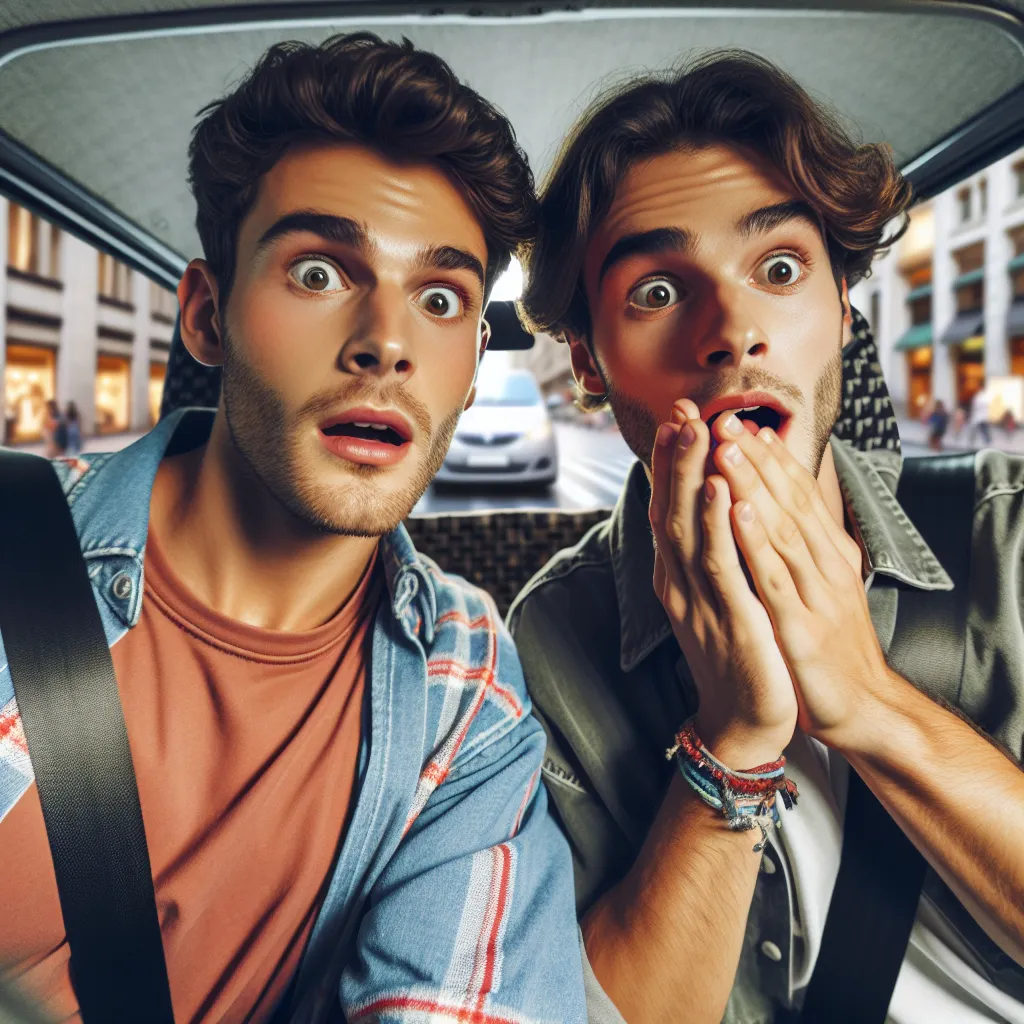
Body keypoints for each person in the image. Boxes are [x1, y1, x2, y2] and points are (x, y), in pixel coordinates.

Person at [0, 34, 587, 1024]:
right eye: (318, 273)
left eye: (441, 299)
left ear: (474, 362)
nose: (386, 344)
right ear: (206, 315)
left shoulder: (464, 677)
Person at [510, 51, 1024, 1024]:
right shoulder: (548, 643)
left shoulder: (1009, 537)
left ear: (839, 306)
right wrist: (733, 737)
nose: (730, 329)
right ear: (589, 361)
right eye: (657, 292)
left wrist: (867, 701)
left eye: (777, 268)